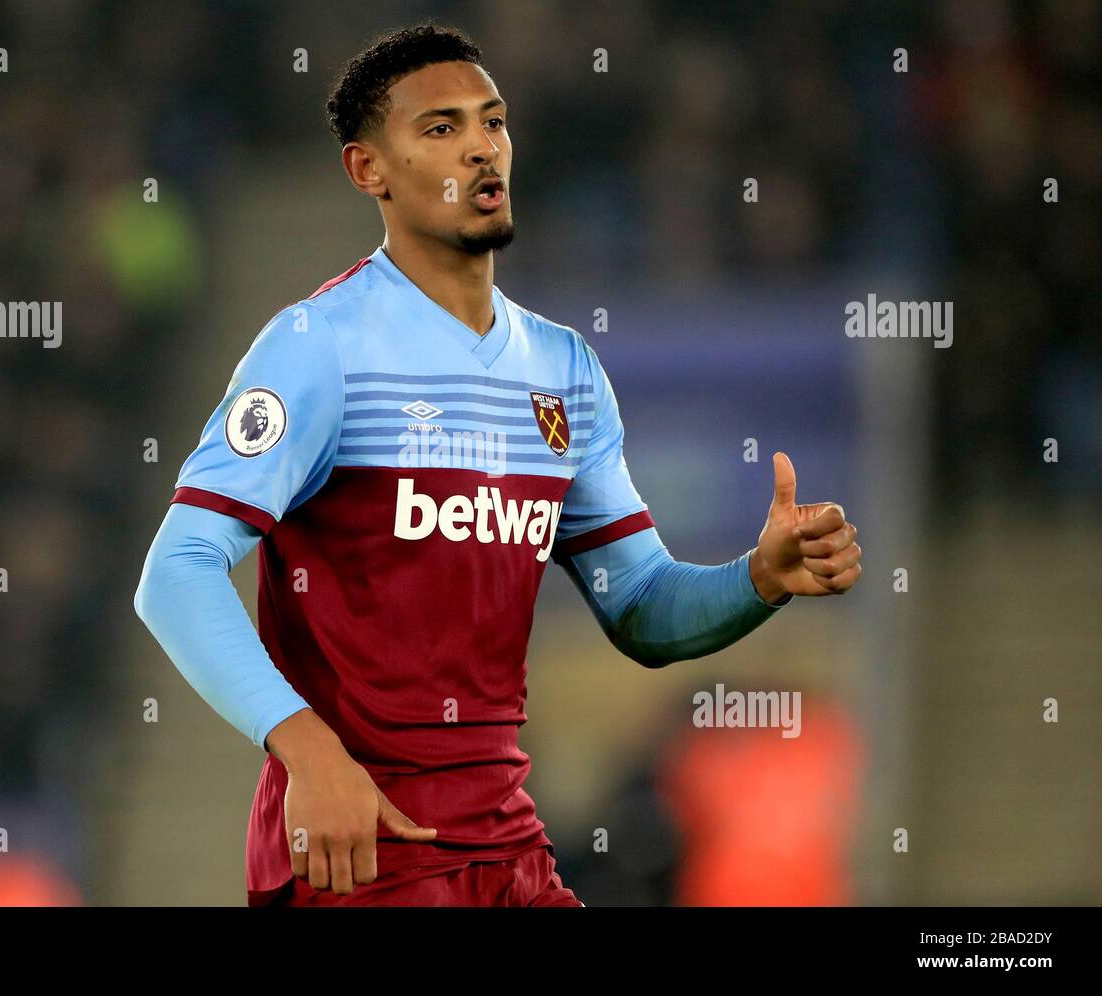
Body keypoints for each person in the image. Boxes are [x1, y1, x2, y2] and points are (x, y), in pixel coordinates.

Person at [134, 22, 862, 907]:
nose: (481, 148)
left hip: (510, 852)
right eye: (440, 129)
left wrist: (757, 580)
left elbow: (638, 604)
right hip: (362, 853)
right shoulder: (319, 347)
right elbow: (175, 570)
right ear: (369, 170)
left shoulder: (563, 370)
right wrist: (305, 745)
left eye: (493, 122)